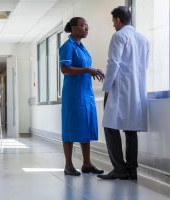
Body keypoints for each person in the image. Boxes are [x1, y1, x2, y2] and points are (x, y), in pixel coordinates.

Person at [97, 6, 150, 180]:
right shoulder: (143, 39)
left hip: (119, 89)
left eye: (113, 21)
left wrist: (106, 88)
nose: (113, 24)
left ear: (118, 20)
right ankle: (131, 170)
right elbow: (143, 66)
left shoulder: (119, 36)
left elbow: (114, 64)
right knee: (130, 128)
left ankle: (119, 168)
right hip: (136, 90)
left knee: (110, 127)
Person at [59, 17, 105, 176]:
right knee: (70, 127)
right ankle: (68, 165)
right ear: (73, 28)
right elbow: (65, 69)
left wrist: (93, 70)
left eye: (87, 25)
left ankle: (87, 163)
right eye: (83, 25)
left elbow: (85, 67)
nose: (86, 28)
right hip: (73, 94)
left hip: (86, 93)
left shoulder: (83, 48)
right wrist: (87, 70)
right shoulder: (67, 46)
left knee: (86, 125)